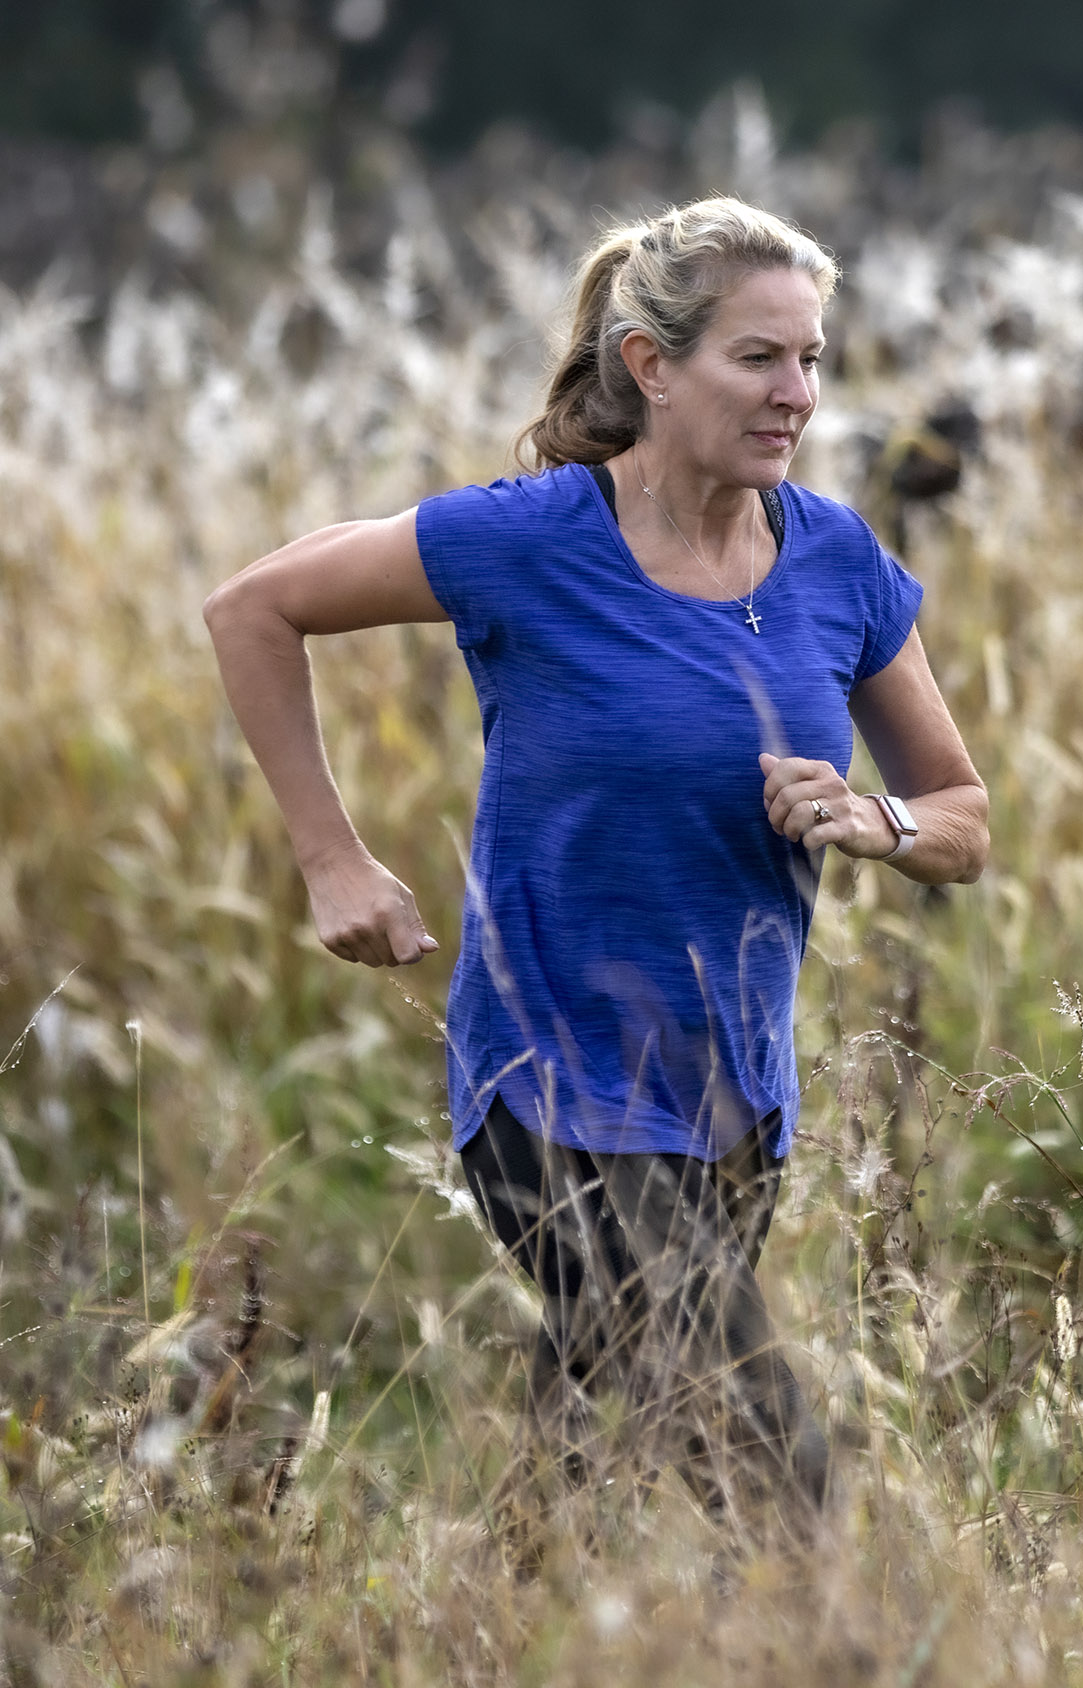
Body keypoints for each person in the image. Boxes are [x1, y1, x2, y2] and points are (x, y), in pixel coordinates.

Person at [200, 197, 989, 1538]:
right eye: (758, 359)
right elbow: (253, 606)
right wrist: (332, 861)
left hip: (739, 1100)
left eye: (810, 360)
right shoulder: (529, 540)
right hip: (553, 1085)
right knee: (775, 1483)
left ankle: (511, 1606)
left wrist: (878, 824)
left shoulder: (836, 561)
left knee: (593, 1439)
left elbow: (962, 814)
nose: (796, 393)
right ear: (650, 366)